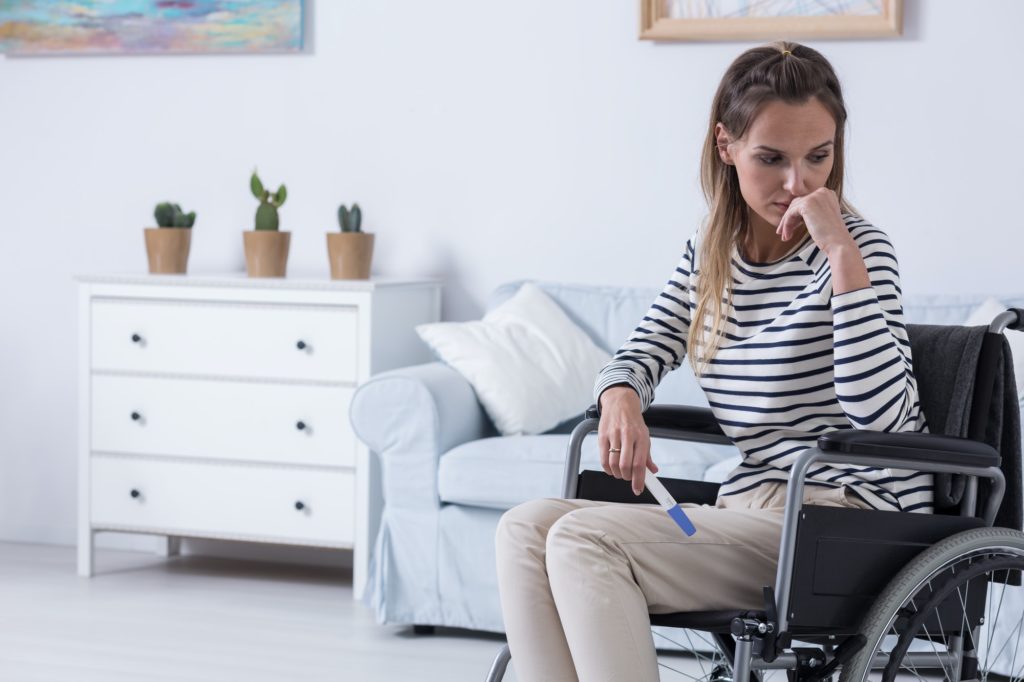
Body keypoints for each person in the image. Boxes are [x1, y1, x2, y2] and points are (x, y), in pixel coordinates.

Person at [494, 41, 930, 682]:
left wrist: (842, 258)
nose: (798, 185)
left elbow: (881, 416)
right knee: (525, 529)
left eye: (819, 157)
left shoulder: (861, 250)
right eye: (771, 159)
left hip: (848, 521)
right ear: (726, 146)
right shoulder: (711, 249)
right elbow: (644, 348)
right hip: (750, 511)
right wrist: (620, 397)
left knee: (585, 540)